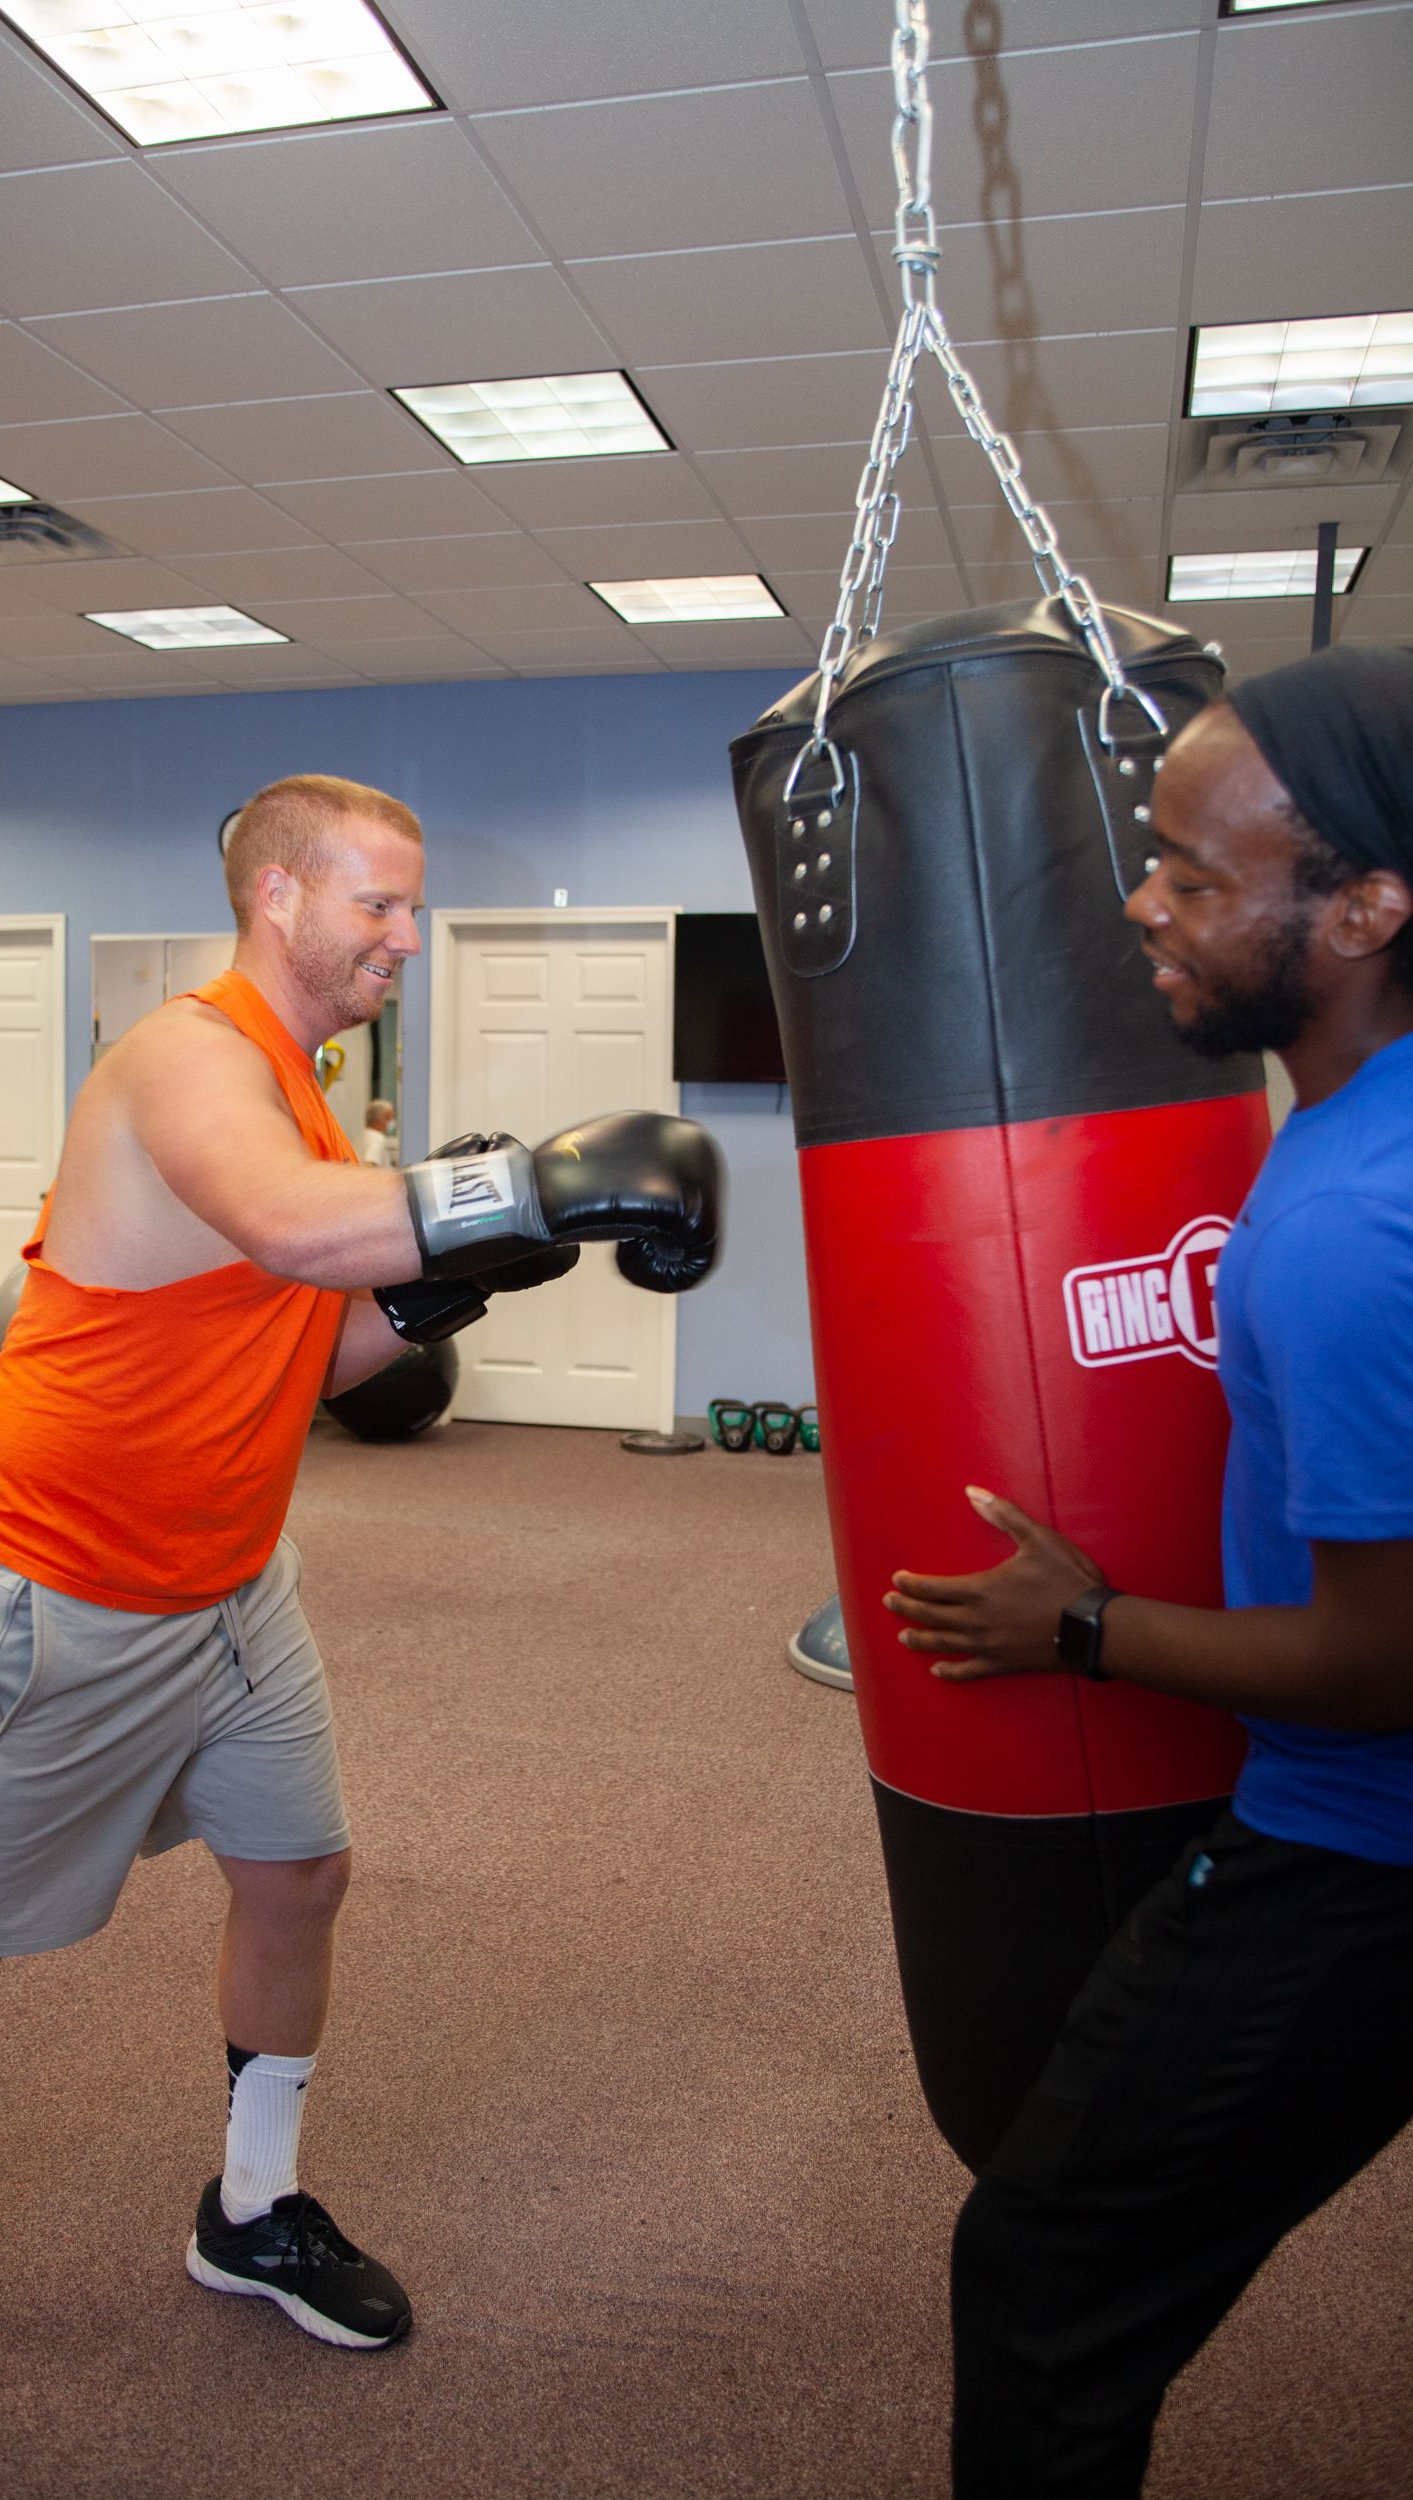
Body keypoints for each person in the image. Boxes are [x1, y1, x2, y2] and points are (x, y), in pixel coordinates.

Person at [0, 771, 722, 2433]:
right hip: (52, 1588)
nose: (404, 939)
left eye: (411, 908)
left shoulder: (304, 1090)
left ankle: (251, 2210)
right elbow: (286, 1228)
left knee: (301, 1873)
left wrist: (451, 1282)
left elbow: (311, 1356)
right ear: (279, 899)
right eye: (380, 906)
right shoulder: (188, 1061)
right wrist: (531, 1189)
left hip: (227, 1581)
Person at [883, 645, 1413, 2499]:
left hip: (1358, 1853)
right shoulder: (1369, 1137)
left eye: (1196, 876)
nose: (1138, 904)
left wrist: (1081, 1626)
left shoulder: (1346, 1222)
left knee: (1042, 2267)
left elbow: (1377, 1664)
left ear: (1361, 907)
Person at [360, 1099, 397, 1167]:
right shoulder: (377, 1138)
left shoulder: (361, 1134)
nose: (392, 1122)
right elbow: (369, 1164)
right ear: (379, 1120)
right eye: (389, 1118)